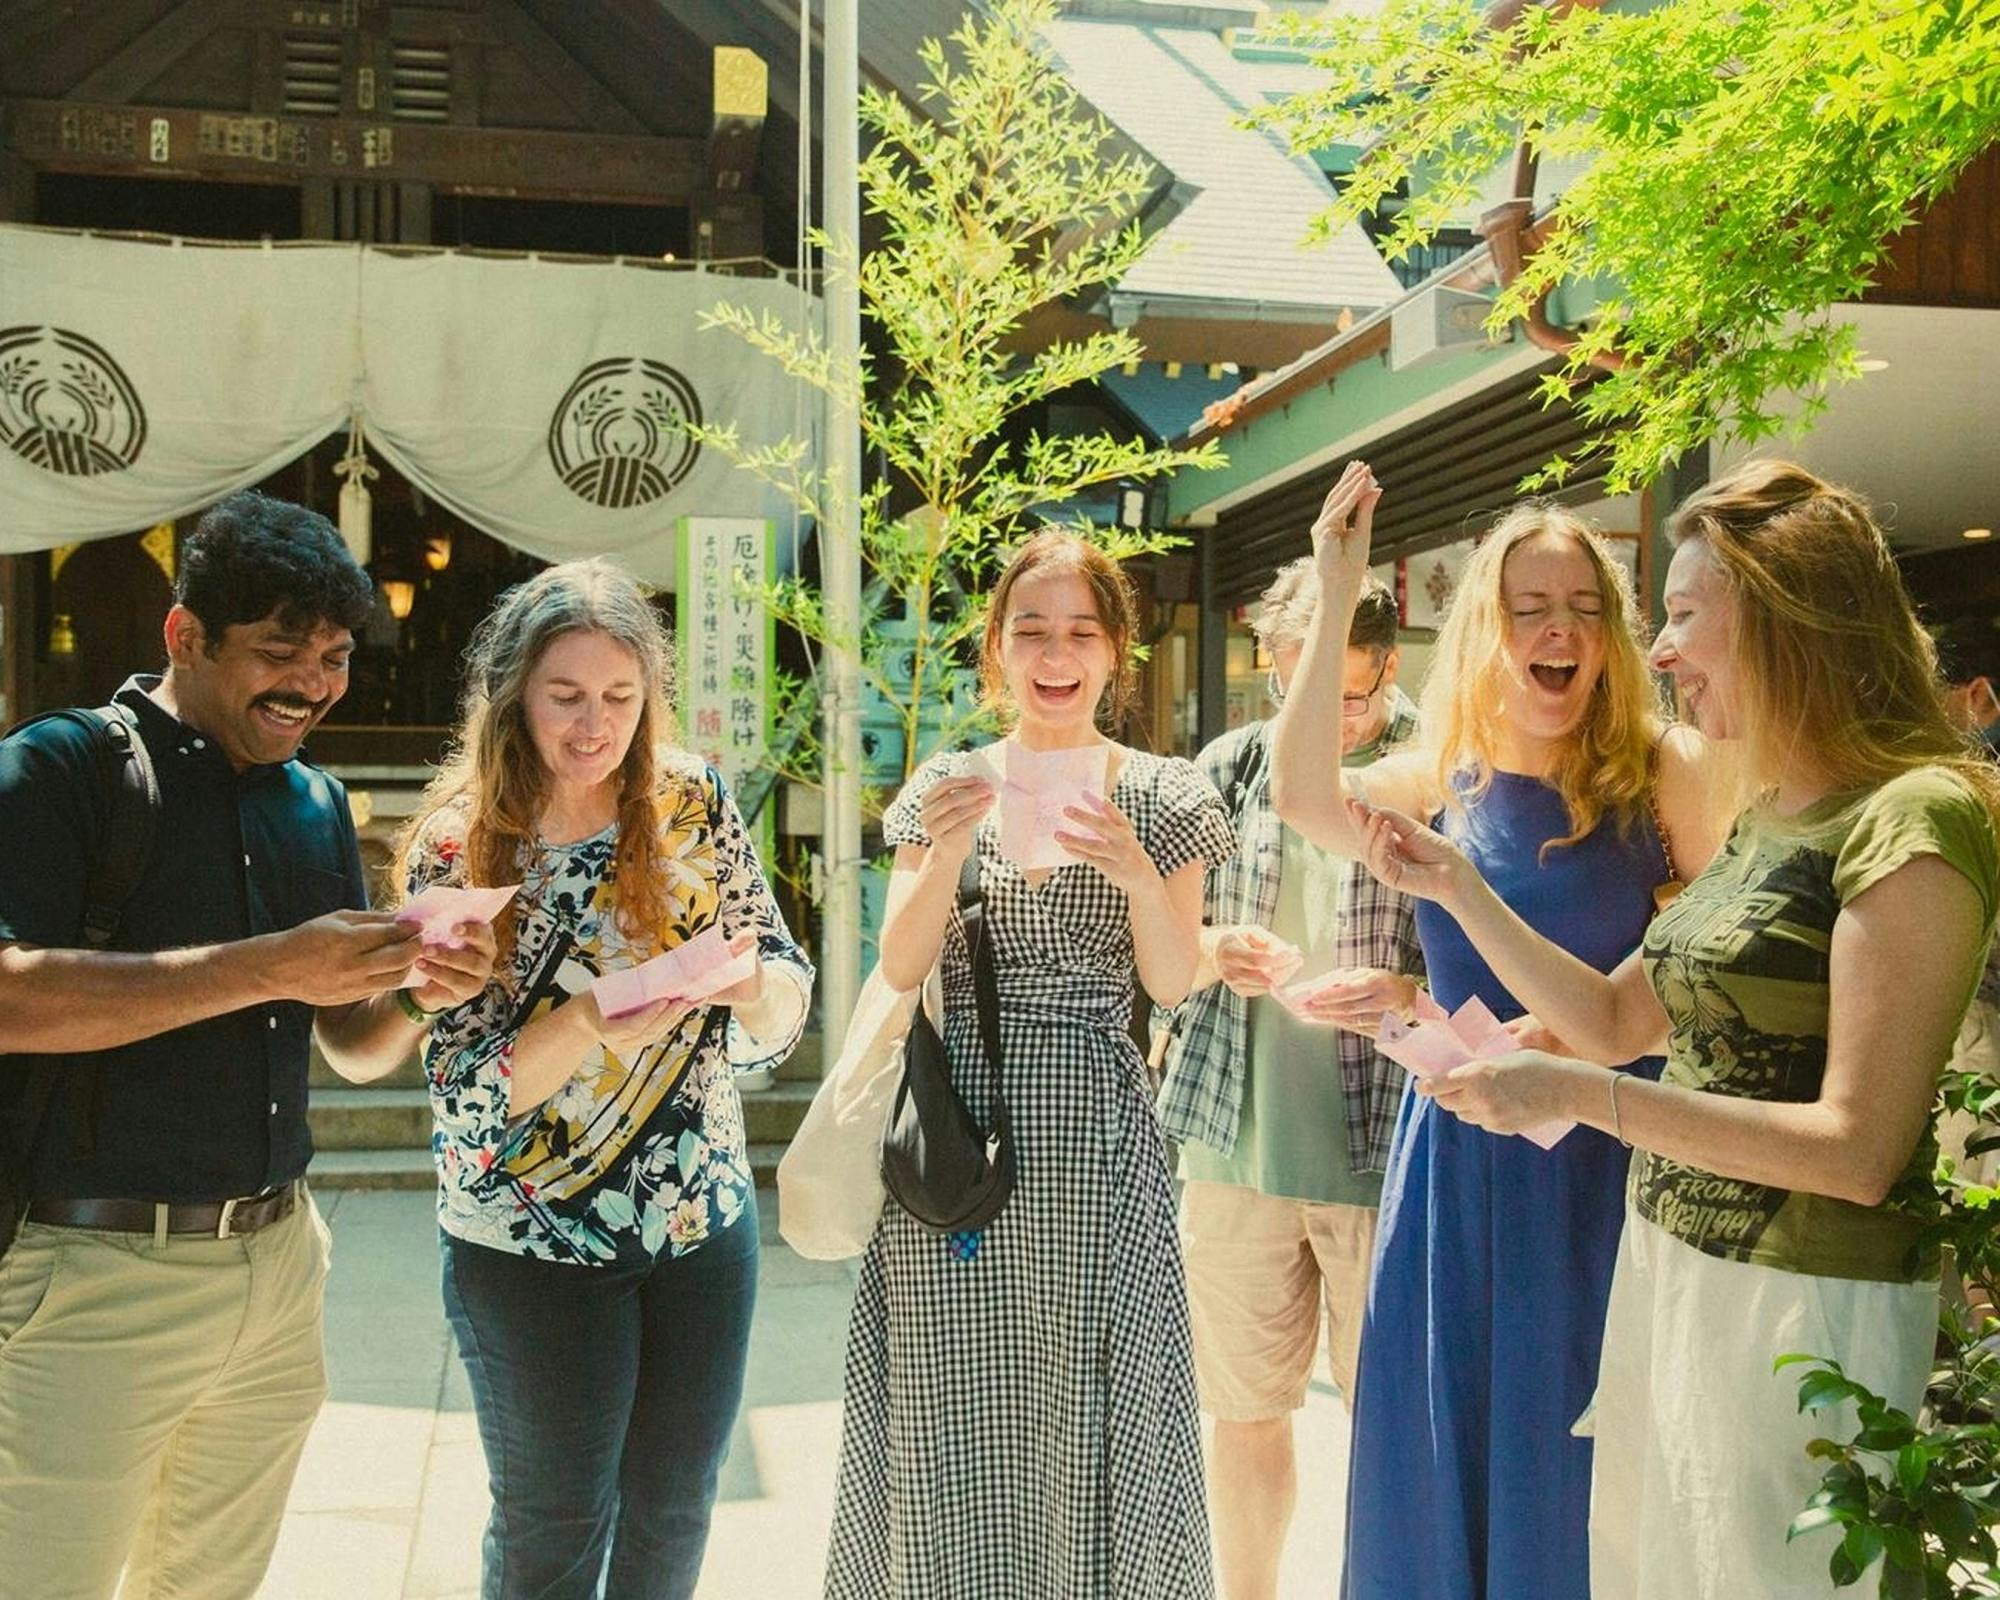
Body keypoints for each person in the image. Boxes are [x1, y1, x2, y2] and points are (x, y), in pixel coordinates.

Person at [1352, 460, 2000, 1598]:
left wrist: (1572, 1095)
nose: (1655, 652)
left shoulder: (1913, 814)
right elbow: (1611, 1018)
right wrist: (1456, 884)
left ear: (1787, 617)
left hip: (1802, 1309)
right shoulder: (1768, 818)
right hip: (1669, 1277)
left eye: (1687, 615)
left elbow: (1856, 1147)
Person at [0, 490, 492, 1599]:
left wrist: (419, 994)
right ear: (186, 636)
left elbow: (349, 1047)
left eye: (335, 657)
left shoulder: (315, 802)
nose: (313, 683)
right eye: (280, 651)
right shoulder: (62, 768)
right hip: (90, 1273)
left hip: (278, 1269)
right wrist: (268, 963)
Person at [1267, 462, 1722, 1600]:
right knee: (1437, 1467)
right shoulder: (1439, 780)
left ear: (1610, 636)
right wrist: (1337, 587)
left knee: (1577, 1472)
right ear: (1487, 629)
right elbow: (1303, 795)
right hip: (1455, 1170)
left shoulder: (1662, 772)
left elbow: (1706, 977)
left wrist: (1570, 1044)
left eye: (1582, 607)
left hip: (1606, 1161)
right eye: (1529, 608)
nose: (1557, 629)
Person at [825, 530, 1235, 1599]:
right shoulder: (945, 783)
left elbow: (1174, 978)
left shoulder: (1165, 793)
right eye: (1032, 630)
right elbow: (899, 963)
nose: (1056, 654)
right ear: (996, 649)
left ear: (1116, 652)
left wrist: (1136, 873)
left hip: (1100, 1137)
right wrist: (948, 851)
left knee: (1103, 1391)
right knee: (953, 1393)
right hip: (963, 1134)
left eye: (1081, 633)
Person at [393, 558, 812, 1600]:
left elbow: (778, 988)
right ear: (514, 696)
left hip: (699, 1221)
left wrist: (749, 986)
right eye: (566, 696)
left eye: (620, 697)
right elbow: (465, 1092)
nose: (595, 727)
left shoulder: (691, 798)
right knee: (555, 1528)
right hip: (530, 1240)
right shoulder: (460, 843)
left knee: (675, 1510)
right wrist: (587, 1020)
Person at [1156, 562, 1421, 1600]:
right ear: (1271, 662)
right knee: (1244, 1409)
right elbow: (1164, 944)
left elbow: (1485, 954)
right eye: (1300, 685)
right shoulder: (1227, 767)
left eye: (1349, 694)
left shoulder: (1439, 766)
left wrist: (1406, 989)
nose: (1327, 718)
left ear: (1388, 665)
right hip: (1235, 1139)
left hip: (1389, 1146)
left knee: (1392, 1420)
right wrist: (1216, 947)